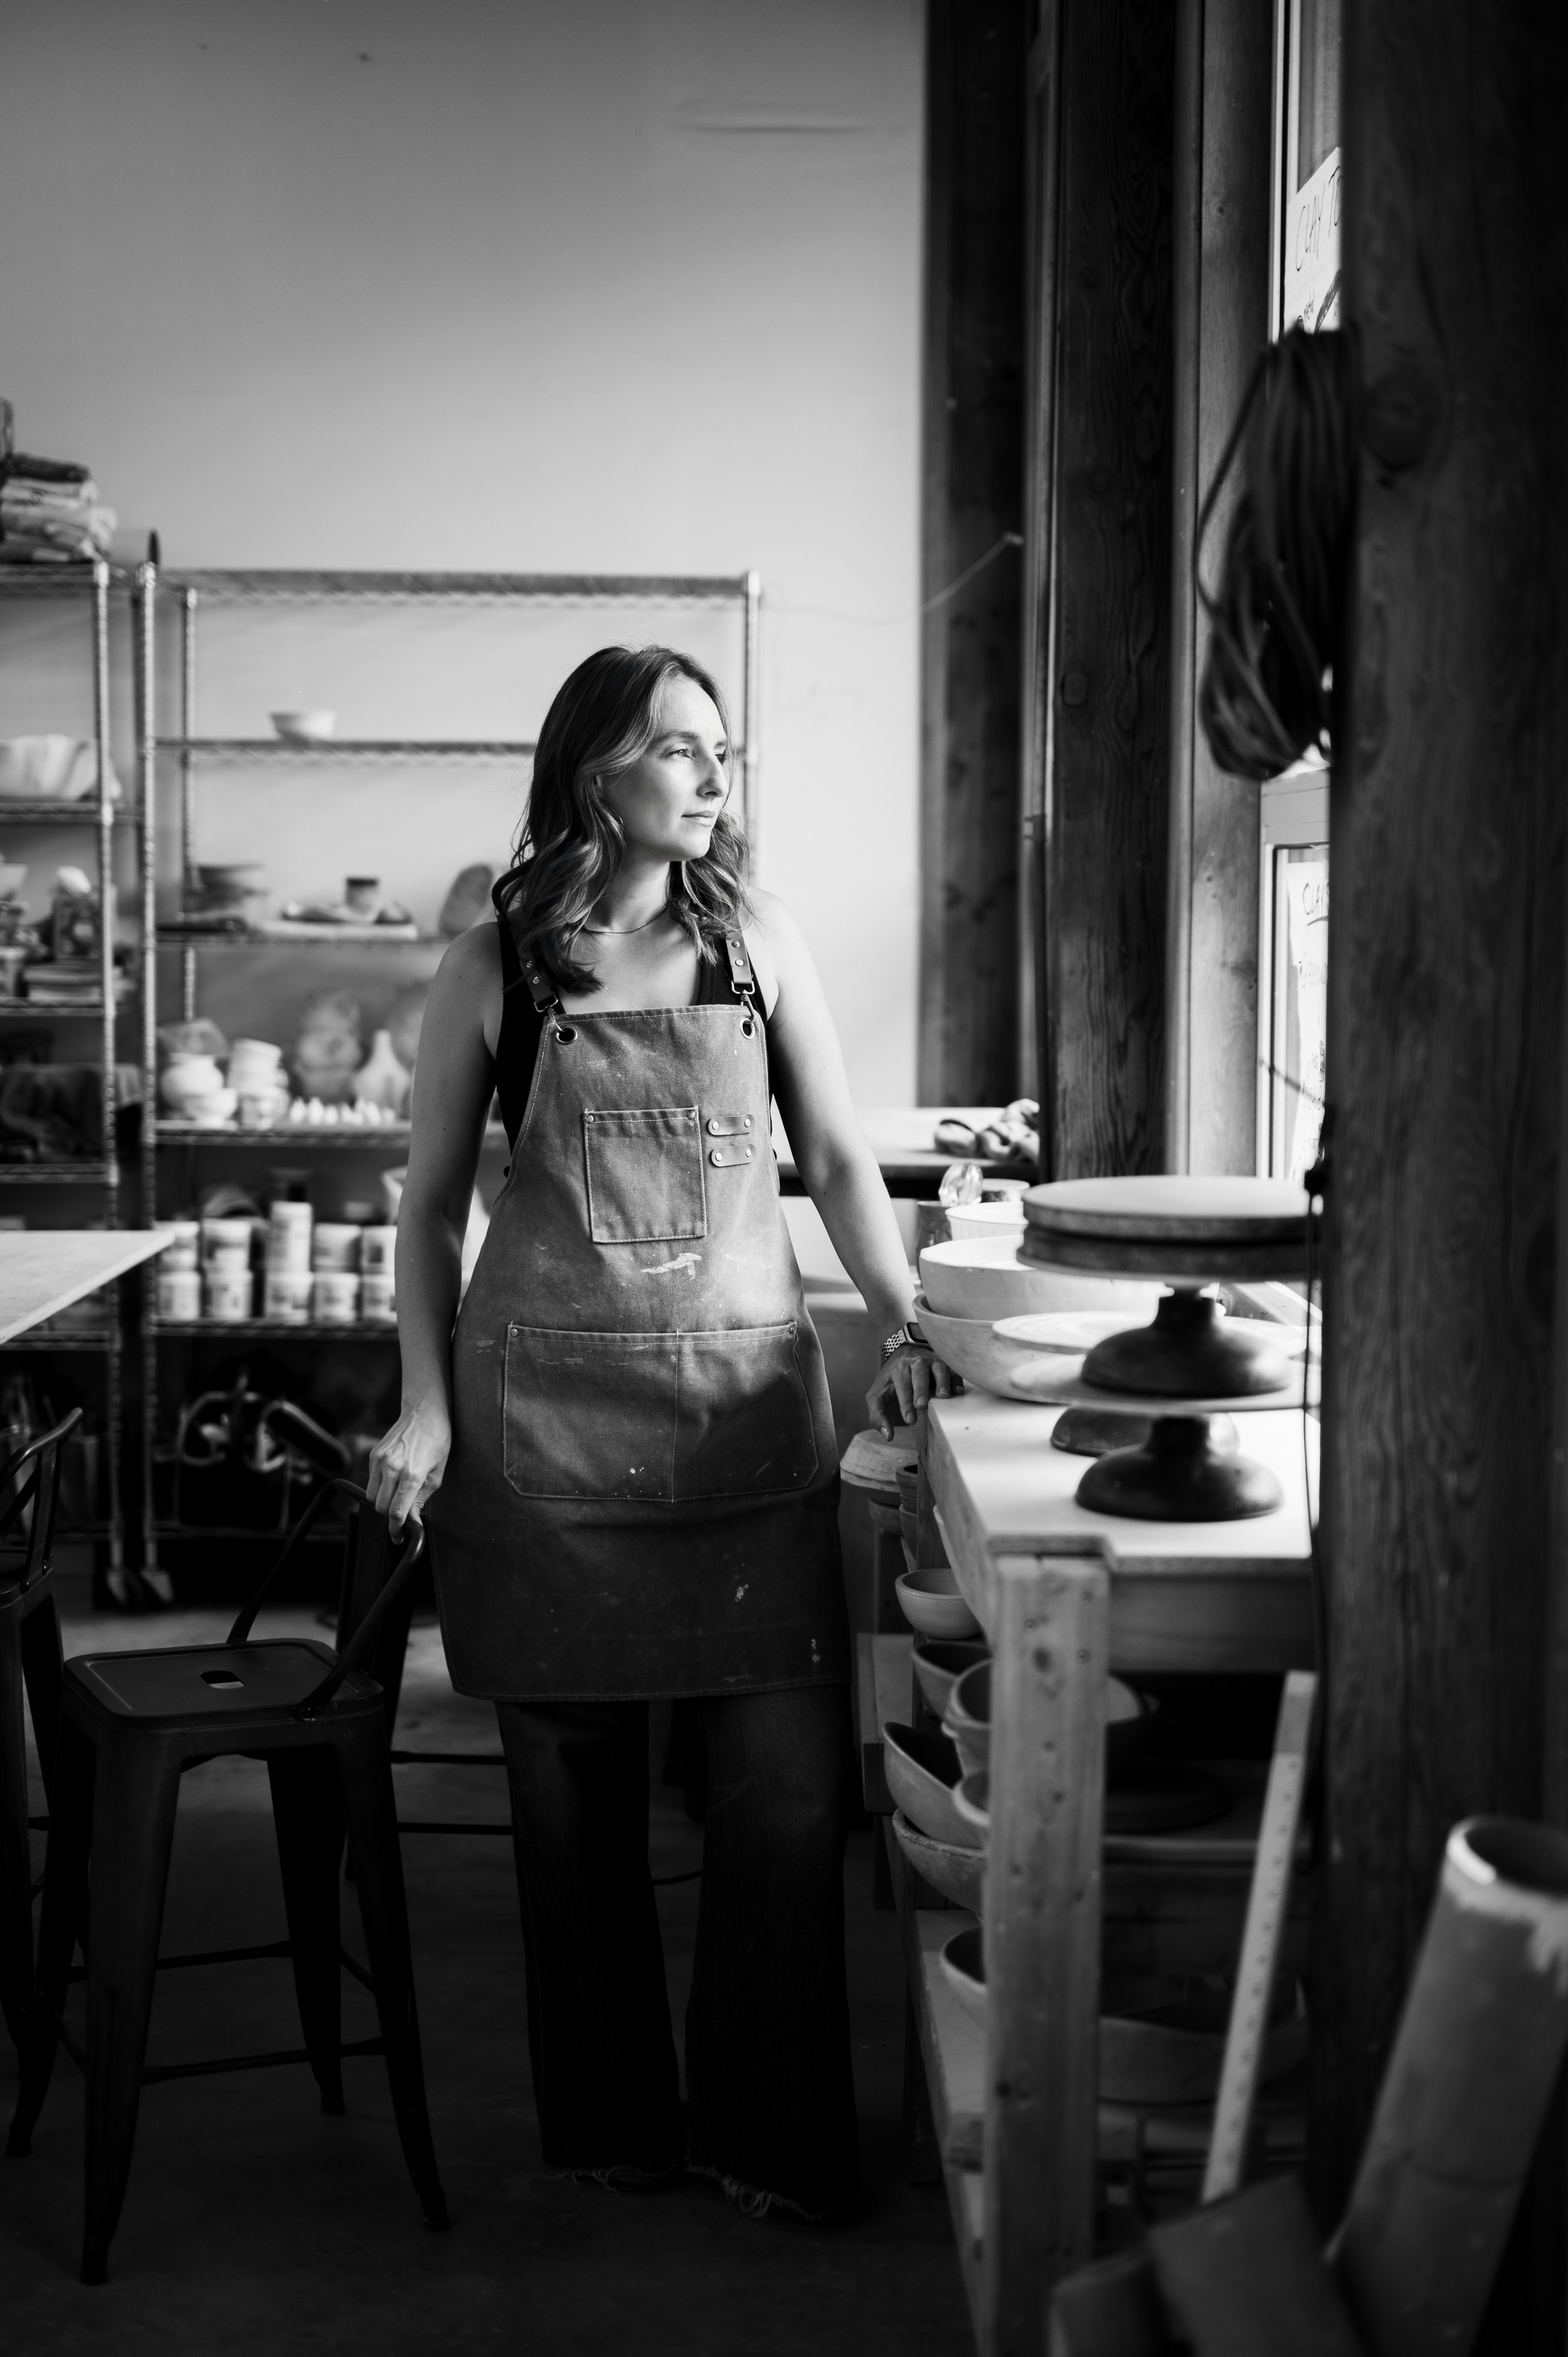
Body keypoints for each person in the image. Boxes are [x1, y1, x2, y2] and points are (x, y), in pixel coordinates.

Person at [369, 644, 954, 2222]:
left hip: (740, 1420)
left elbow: (833, 1159)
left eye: (718, 750)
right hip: (540, 1435)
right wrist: (424, 1400)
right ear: (592, 775)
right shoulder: (496, 961)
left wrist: (907, 1320)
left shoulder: (752, 939)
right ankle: (615, 2126)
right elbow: (427, 1209)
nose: (712, 777)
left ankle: (767, 2136)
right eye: (680, 750)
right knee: (571, 1810)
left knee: (777, 1793)